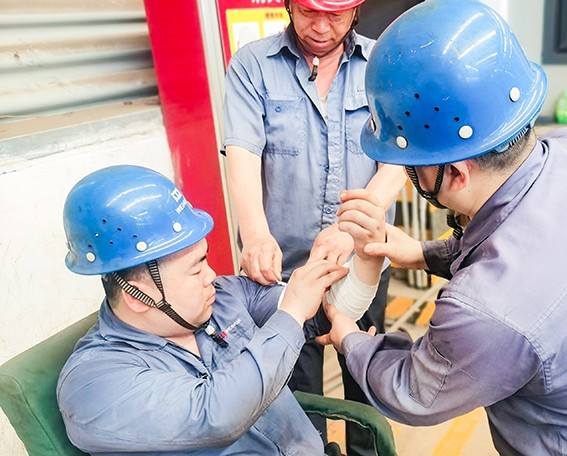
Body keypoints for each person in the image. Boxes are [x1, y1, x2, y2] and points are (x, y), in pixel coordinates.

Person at [317, 0, 567, 454]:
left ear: (456, 173)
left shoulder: (487, 309)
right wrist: (424, 254)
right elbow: (521, 240)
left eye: (413, 165)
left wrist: (351, 339)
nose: (409, 174)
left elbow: (416, 391)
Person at [57, 165, 385, 455]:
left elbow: (328, 306)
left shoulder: (224, 296)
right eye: (196, 268)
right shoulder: (94, 384)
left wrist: (367, 256)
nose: (211, 275)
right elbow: (215, 415)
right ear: (139, 295)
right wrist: (291, 314)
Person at [221, 0, 406, 452]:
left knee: (365, 380)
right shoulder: (252, 65)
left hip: (362, 263)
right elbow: (242, 153)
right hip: (284, 271)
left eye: (335, 15)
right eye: (308, 12)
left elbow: (399, 158)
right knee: (297, 398)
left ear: (356, 10)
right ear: (288, 4)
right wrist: (255, 233)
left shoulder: (384, 64)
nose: (321, 27)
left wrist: (352, 227)